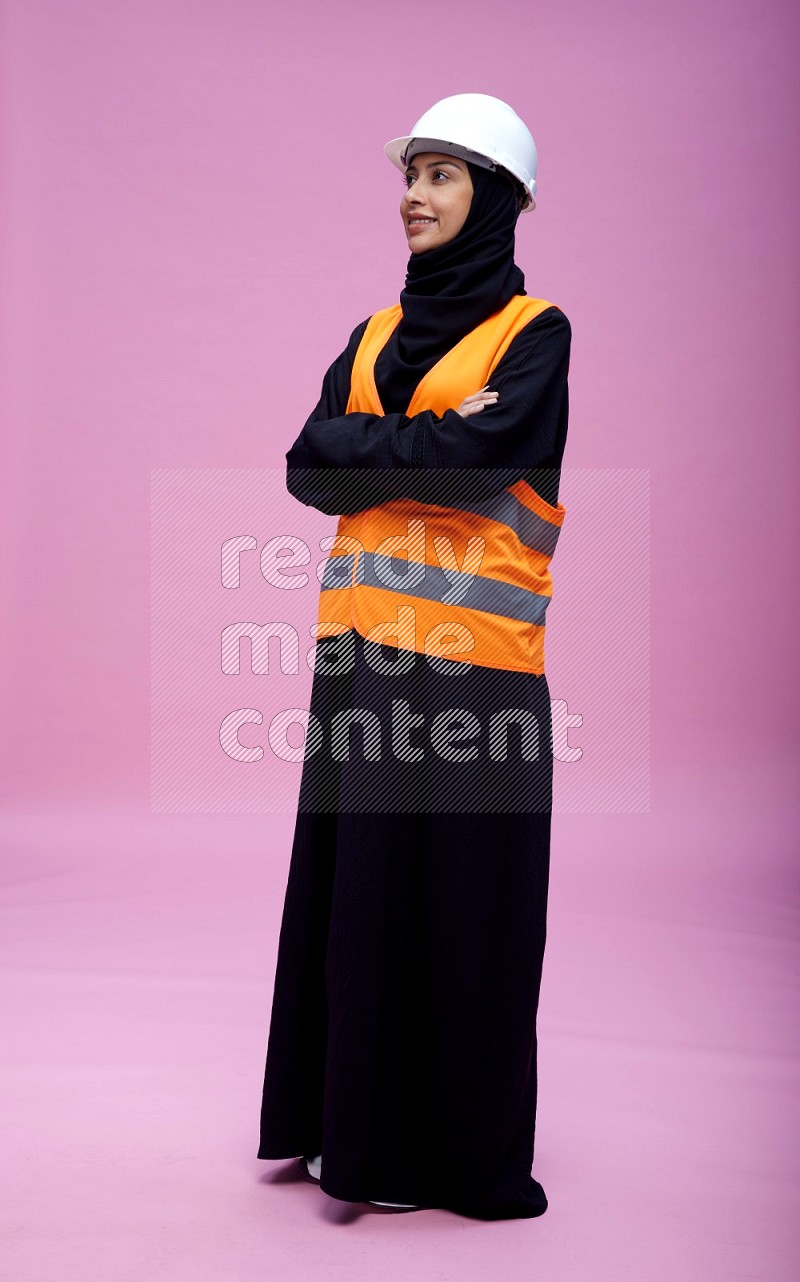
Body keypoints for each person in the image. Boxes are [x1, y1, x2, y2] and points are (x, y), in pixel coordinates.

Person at [257, 93, 571, 1220]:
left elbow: (489, 458)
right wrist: (423, 444)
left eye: (441, 175)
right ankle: (352, 1139)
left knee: (463, 914)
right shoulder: (372, 336)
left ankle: (449, 1158)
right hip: (358, 660)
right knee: (356, 900)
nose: (413, 195)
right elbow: (304, 466)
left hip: (473, 673)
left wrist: (367, 447)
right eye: (411, 174)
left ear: (493, 196)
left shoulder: (533, 336)